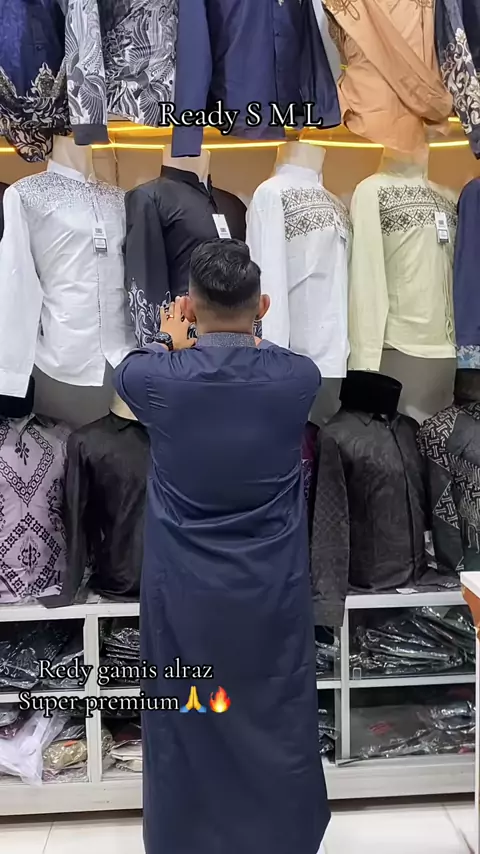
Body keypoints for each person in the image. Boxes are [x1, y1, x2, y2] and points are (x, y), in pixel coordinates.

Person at [113, 238, 329, 854]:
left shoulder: (153, 377)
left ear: (187, 306)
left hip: (184, 591)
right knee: (274, 706)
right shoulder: (299, 379)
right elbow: (274, 357)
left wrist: (171, 340)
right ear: (262, 305)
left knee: (186, 715)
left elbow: (132, 367)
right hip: (270, 586)